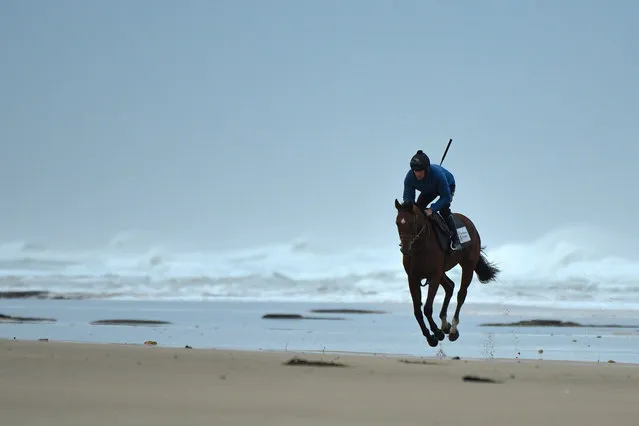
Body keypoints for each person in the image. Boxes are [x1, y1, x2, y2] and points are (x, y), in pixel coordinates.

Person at [403, 149, 462, 251]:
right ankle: (418, 236)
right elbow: (408, 199)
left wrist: (432, 209)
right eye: (415, 171)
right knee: (418, 209)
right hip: (429, 189)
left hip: (447, 185)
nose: (418, 174)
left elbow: (446, 197)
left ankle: (456, 239)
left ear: (426, 169)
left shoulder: (438, 175)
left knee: (443, 210)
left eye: (420, 171)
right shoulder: (409, 177)